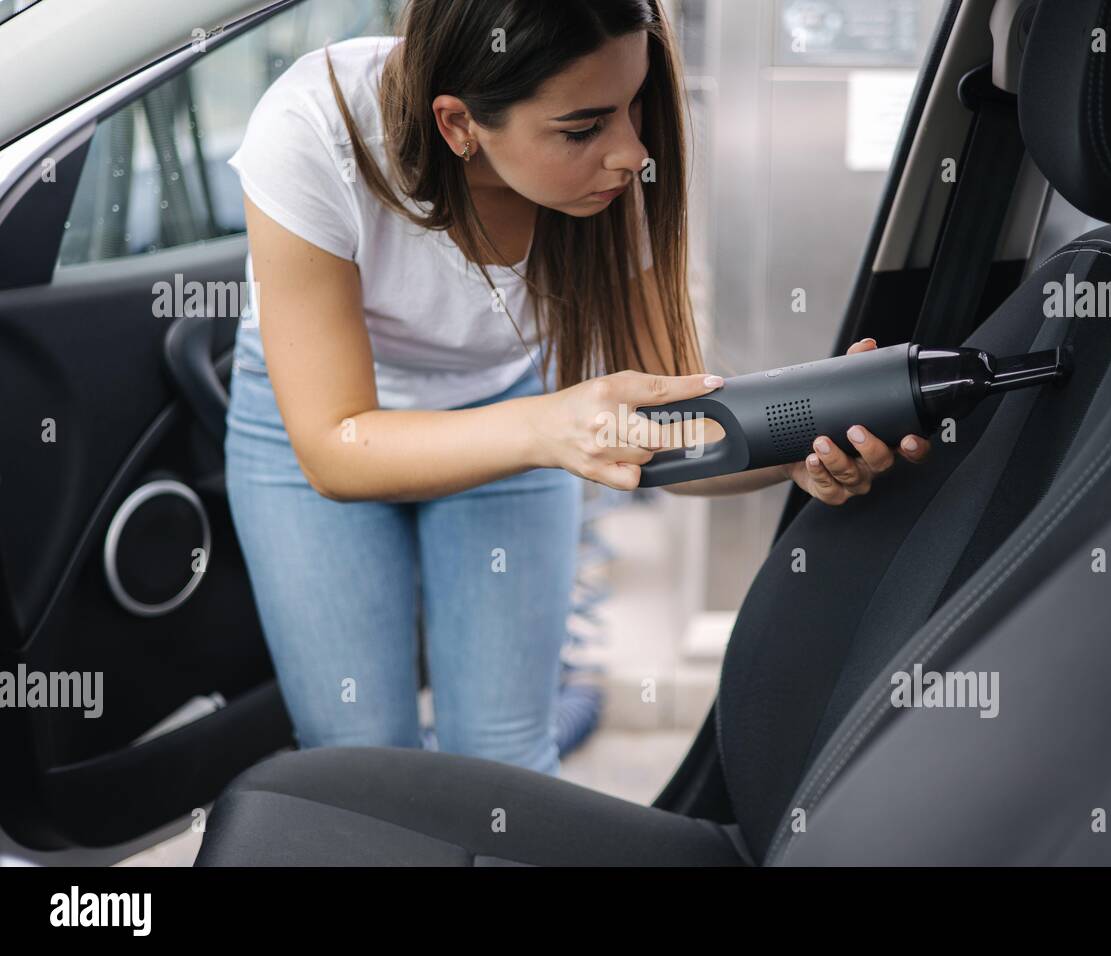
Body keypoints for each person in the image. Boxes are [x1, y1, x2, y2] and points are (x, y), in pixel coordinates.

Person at [223, 0, 931, 777]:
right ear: (458, 125)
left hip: (510, 403)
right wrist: (553, 429)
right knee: (357, 756)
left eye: (633, 105)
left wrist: (798, 446)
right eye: (585, 127)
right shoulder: (313, 129)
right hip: (324, 424)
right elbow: (336, 447)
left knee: (506, 758)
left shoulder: (616, 181)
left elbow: (681, 430)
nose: (631, 153)